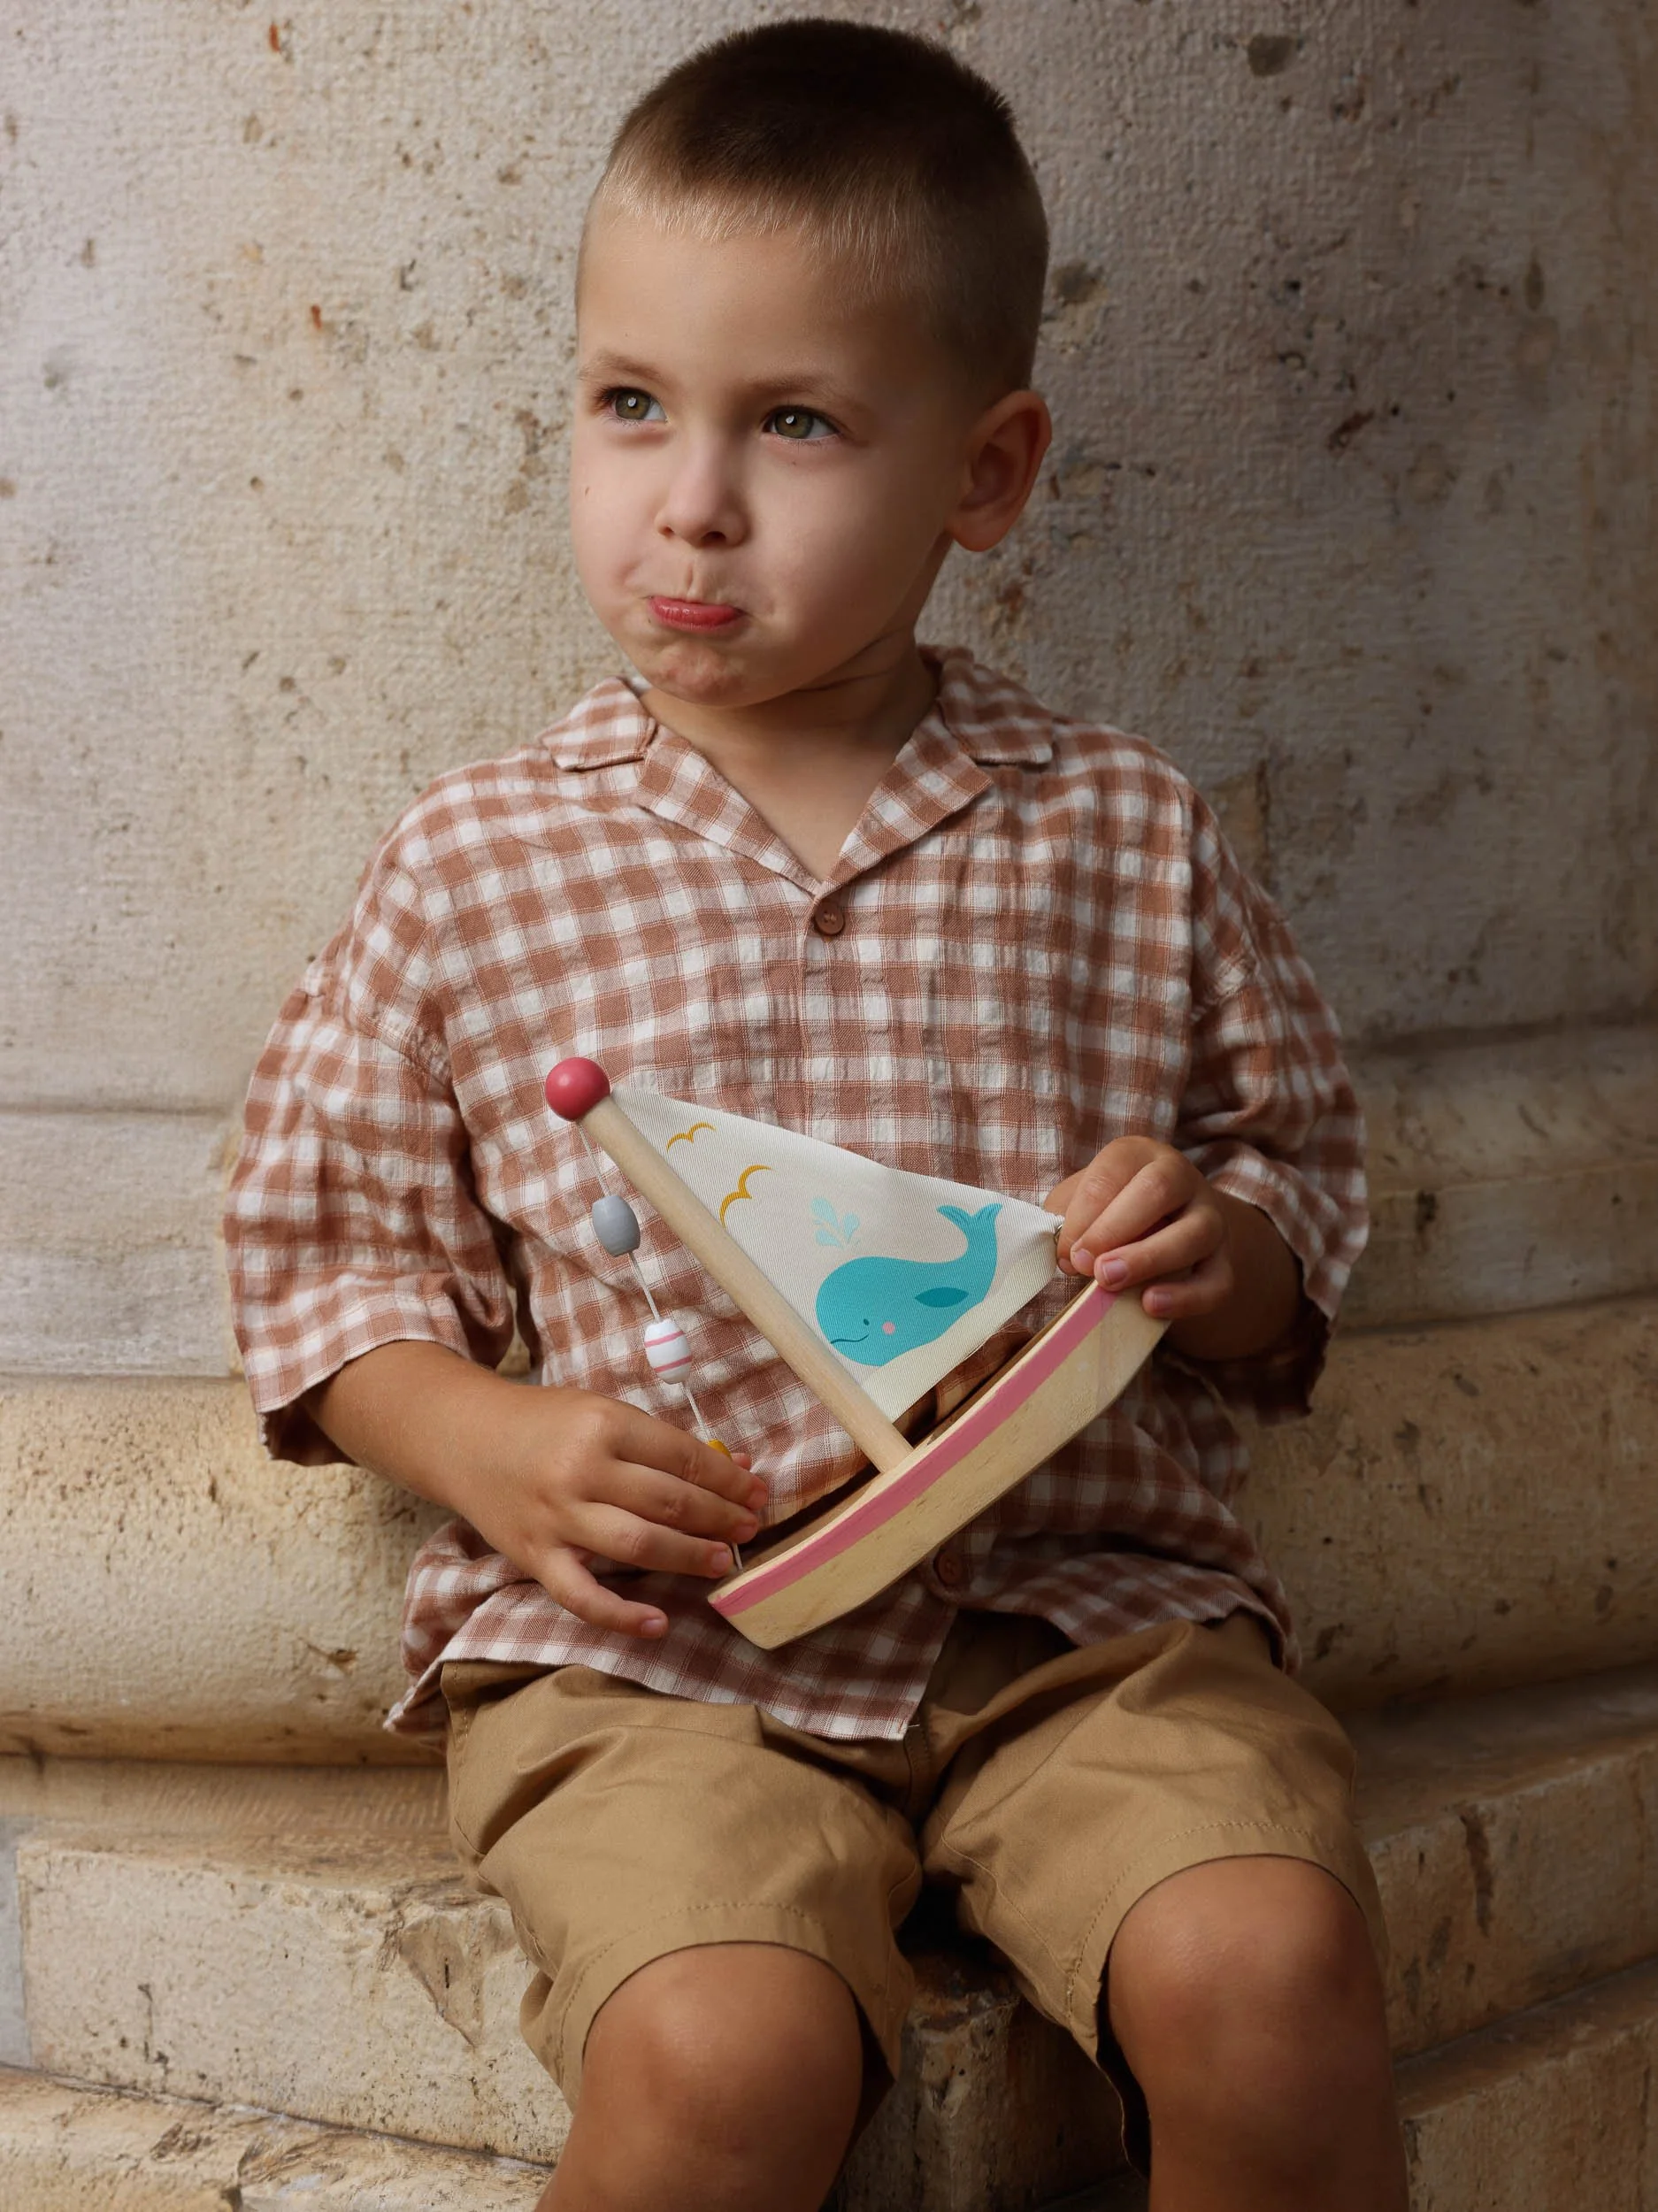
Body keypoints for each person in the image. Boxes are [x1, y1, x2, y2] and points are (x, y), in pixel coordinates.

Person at [226, 19, 1408, 2210]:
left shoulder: (1120, 832)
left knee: (1274, 1966)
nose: (689, 500)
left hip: (1085, 1630)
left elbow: (1292, 1199)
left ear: (983, 469)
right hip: (653, 1663)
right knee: (719, 2053)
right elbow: (324, 1262)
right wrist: (482, 1443)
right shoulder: (477, 860)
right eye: (627, 406)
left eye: (792, 422)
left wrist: (1206, 1242)